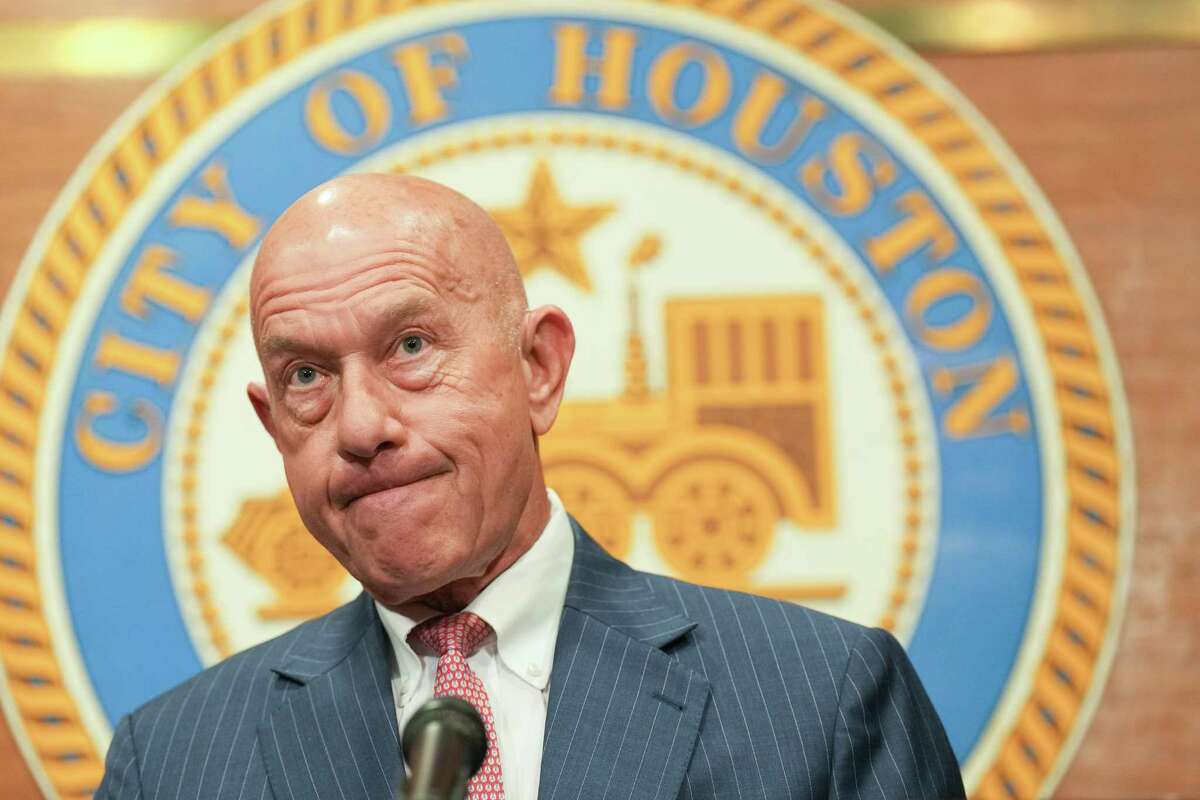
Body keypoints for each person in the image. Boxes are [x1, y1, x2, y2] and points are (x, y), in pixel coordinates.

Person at [96, 174, 964, 800]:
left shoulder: (821, 702)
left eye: (410, 347)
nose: (361, 426)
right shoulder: (170, 764)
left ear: (539, 367)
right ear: (273, 422)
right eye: (307, 375)